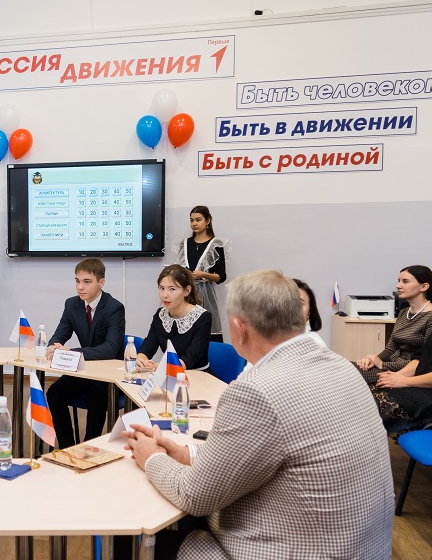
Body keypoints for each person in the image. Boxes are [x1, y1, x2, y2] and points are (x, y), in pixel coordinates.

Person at [125, 270, 393, 559]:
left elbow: (194, 496)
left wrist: (152, 457)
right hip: (362, 548)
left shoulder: (255, 392)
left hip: (293, 550)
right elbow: (261, 450)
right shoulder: (343, 367)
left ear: (239, 328)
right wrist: (186, 453)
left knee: (130, 544)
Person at [44, 258, 125, 449]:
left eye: (87, 282)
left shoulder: (114, 307)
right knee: (54, 394)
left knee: (97, 397)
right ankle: (68, 448)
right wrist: (53, 347)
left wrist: (71, 352)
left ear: (101, 282)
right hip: (85, 369)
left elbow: (111, 348)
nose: (80, 287)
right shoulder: (72, 304)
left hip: (109, 373)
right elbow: (59, 335)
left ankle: (88, 448)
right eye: (77, 281)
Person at [374, 266, 432, 435]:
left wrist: (404, 381)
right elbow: (420, 358)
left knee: (372, 407)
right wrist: (396, 377)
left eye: (405, 281)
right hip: (425, 386)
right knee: (363, 397)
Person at [356, 265, 432, 385]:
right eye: (399, 281)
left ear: (424, 287)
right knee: (346, 368)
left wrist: (382, 364)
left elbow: (425, 359)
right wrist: (373, 360)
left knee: (350, 375)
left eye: (405, 281)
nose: (398, 286)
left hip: (409, 373)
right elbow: (390, 349)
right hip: (391, 366)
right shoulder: (404, 312)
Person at [136, 265, 212, 371]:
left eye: (172, 289)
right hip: (169, 373)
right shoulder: (160, 314)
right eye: (161, 288)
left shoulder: (203, 317)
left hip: (196, 374)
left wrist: (158, 367)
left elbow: (191, 359)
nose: (165, 295)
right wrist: (140, 360)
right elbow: (148, 346)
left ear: (187, 291)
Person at [173, 205, 228, 342]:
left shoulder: (216, 244)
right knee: (183, 334)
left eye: (198, 220)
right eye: (191, 220)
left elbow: (221, 276)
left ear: (208, 221)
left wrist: (203, 275)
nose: (194, 224)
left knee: (207, 334)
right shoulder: (185, 244)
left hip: (206, 296)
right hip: (186, 294)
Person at [293, 278, 327, 348]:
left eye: (300, 303)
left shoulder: (314, 342)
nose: (294, 308)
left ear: (309, 312)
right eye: (288, 302)